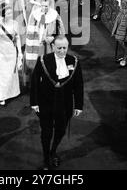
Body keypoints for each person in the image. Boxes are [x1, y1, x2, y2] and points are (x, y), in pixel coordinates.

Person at [30, 35, 84, 170]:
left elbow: (79, 85)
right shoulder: (43, 60)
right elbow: (35, 82)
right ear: (53, 47)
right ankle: (46, 158)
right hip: (46, 103)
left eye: (64, 48)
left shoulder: (74, 61)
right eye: (59, 48)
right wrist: (34, 102)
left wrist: (78, 105)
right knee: (46, 133)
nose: (62, 51)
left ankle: (53, 151)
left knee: (60, 131)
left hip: (65, 105)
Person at [0, 3, 23, 107]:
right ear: (3, 14)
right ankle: (2, 96)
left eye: (10, 12)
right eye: (7, 13)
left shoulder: (15, 24)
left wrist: (20, 53)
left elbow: (17, 38)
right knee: (1, 75)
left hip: (11, 52)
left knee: (10, 74)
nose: (10, 14)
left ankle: (11, 92)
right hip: (0, 51)